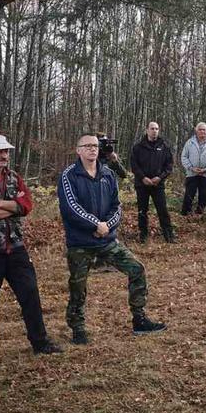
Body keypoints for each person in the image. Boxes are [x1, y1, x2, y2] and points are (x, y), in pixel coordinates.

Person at [58, 134, 166, 344]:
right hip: (80, 243)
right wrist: (95, 224)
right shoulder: (69, 175)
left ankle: (139, 319)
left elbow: (117, 206)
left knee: (137, 269)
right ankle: (78, 329)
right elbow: (70, 207)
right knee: (78, 287)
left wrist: (107, 226)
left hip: (106, 240)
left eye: (95, 146)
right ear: (78, 150)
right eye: (87, 146)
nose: (92, 149)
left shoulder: (108, 174)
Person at [0, 135, 61, 364]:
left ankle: (40, 342)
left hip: (16, 247)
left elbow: (27, 205)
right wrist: (13, 206)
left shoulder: (14, 177)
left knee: (30, 294)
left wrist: (2, 204)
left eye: (6, 151)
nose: (4, 155)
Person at [129, 121, 174, 242]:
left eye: (156, 129)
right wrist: (143, 178)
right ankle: (143, 235)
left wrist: (160, 177)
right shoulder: (138, 147)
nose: (154, 131)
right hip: (142, 184)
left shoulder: (164, 147)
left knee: (162, 210)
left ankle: (169, 236)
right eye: (152, 128)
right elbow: (134, 165)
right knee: (142, 210)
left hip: (157, 184)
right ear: (147, 130)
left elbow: (169, 166)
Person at [180, 123, 206, 215]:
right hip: (192, 173)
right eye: (200, 129)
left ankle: (200, 215)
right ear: (196, 130)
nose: (202, 131)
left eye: (204, 130)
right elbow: (184, 157)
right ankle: (185, 214)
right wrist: (191, 168)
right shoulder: (190, 142)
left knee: (204, 196)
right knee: (189, 195)